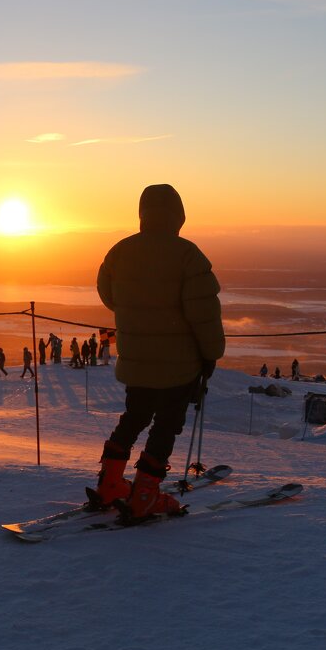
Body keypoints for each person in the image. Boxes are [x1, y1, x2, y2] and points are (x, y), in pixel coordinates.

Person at [89, 184, 225, 520]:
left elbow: (110, 298)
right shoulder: (188, 255)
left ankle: (110, 483)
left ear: (142, 214)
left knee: (133, 417)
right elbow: (203, 314)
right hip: (179, 366)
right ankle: (145, 494)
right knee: (166, 426)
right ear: (179, 216)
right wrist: (211, 355)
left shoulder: (119, 252)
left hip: (137, 361)